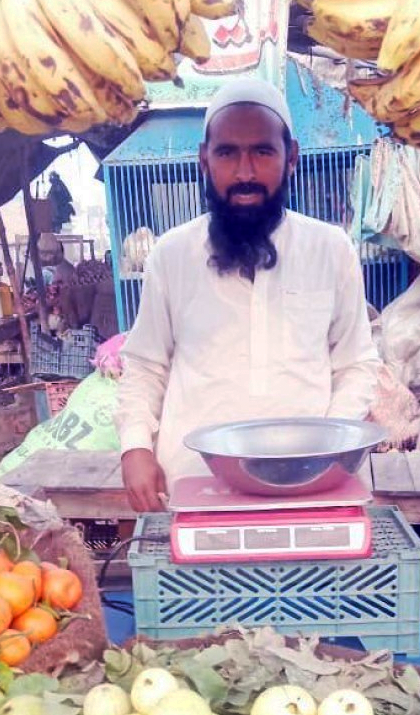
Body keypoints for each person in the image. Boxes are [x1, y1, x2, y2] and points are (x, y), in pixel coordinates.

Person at [114, 79, 381, 513]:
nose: (244, 173)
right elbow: (145, 366)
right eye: (226, 153)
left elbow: (356, 364)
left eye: (262, 151)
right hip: (194, 485)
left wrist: (330, 446)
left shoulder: (331, 249)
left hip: (314, 487)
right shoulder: (171, 254)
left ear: (290, 157)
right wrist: (134, 447)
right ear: (204, 160)